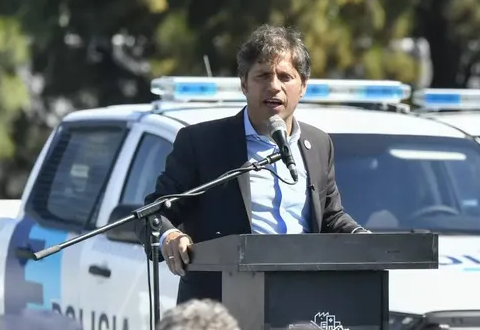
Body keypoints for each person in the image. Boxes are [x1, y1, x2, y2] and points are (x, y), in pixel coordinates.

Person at [144, 24, 368, 303]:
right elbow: (153, 215)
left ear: (303, 86)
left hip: (303, 301)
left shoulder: (319, 144)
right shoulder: (202, 142)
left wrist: (365, 239)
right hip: (222, 305)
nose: (274, 85)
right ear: (244, 84)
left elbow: (331, 217)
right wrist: (171, 237)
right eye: (263, 75)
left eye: (285, 76)